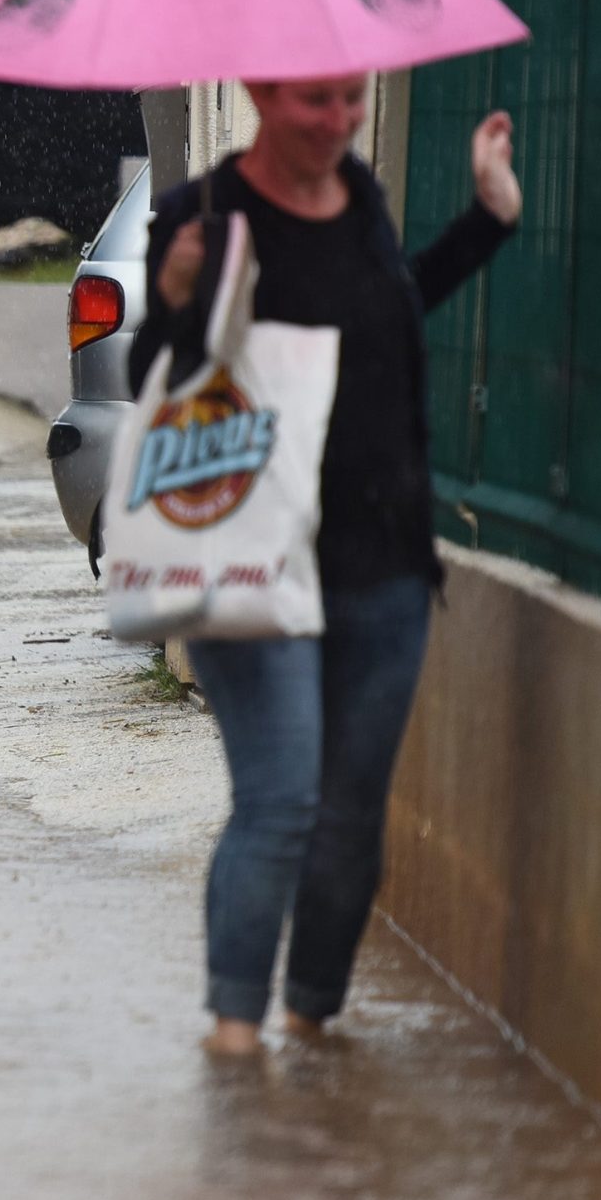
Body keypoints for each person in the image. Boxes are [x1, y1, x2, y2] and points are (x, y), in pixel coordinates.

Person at [132, 78, 522, 1056]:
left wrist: (486, 218)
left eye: (348, 99)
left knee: (348, 819)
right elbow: (153, 390)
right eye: (314, 100)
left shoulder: (362, 200)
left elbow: (392, 309)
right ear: (261, 92)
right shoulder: (204, 216)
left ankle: (309, 1026)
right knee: (279, 799)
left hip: (381, 565)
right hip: (249, 559)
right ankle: (230, 1041)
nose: (338, 119)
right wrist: (177, 300)